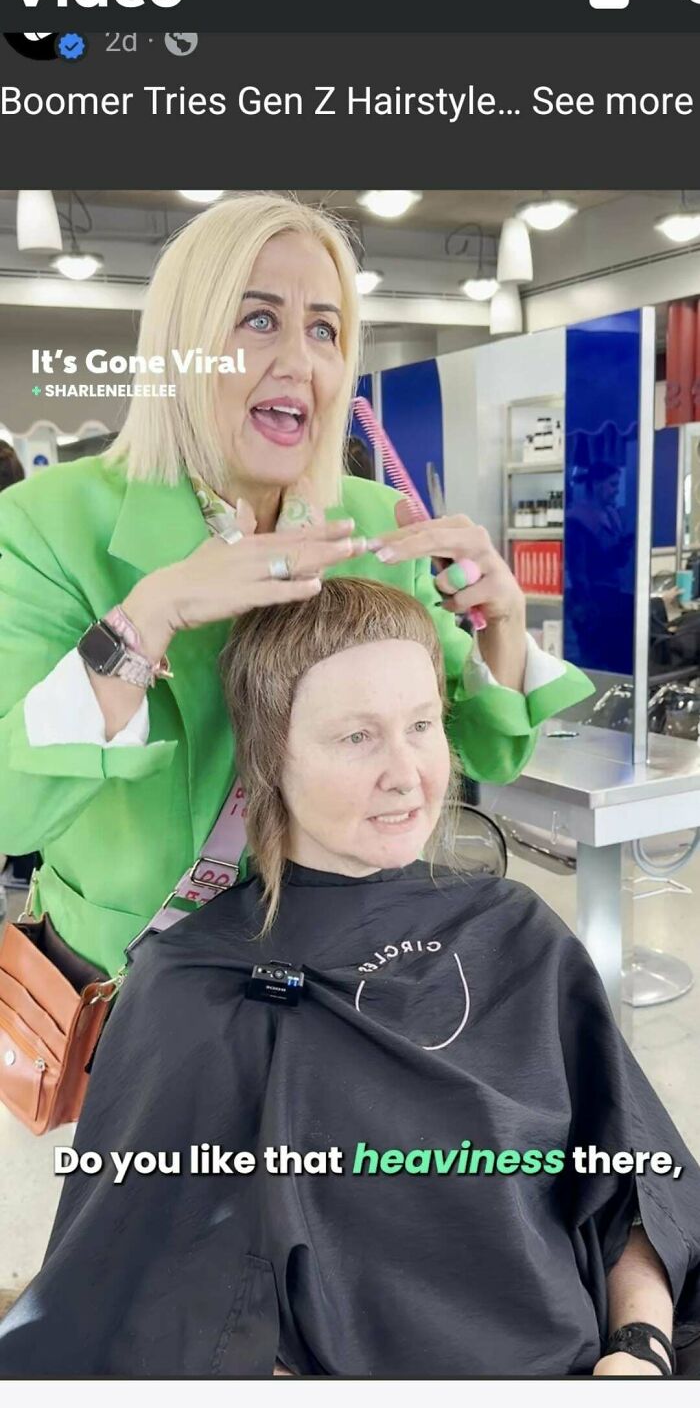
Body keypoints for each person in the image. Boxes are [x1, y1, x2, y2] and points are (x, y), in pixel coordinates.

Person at [0, 579, 698, 1379]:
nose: (406, 774)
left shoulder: (519, 931)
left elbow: (635, 1182)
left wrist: (638, 1348)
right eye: (358, 737)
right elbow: (135, 1313)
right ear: (271, 756)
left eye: (422, 726)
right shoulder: (192, 986)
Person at [0, 194, 592, 982]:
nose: (301, 361)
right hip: (138, 987)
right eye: (257, 320)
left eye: (323, 328)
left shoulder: (379, 525)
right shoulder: (48, 522)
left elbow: (487, 749)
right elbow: (15, 809)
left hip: (342, 977)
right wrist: (153, 615)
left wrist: (502, 625)